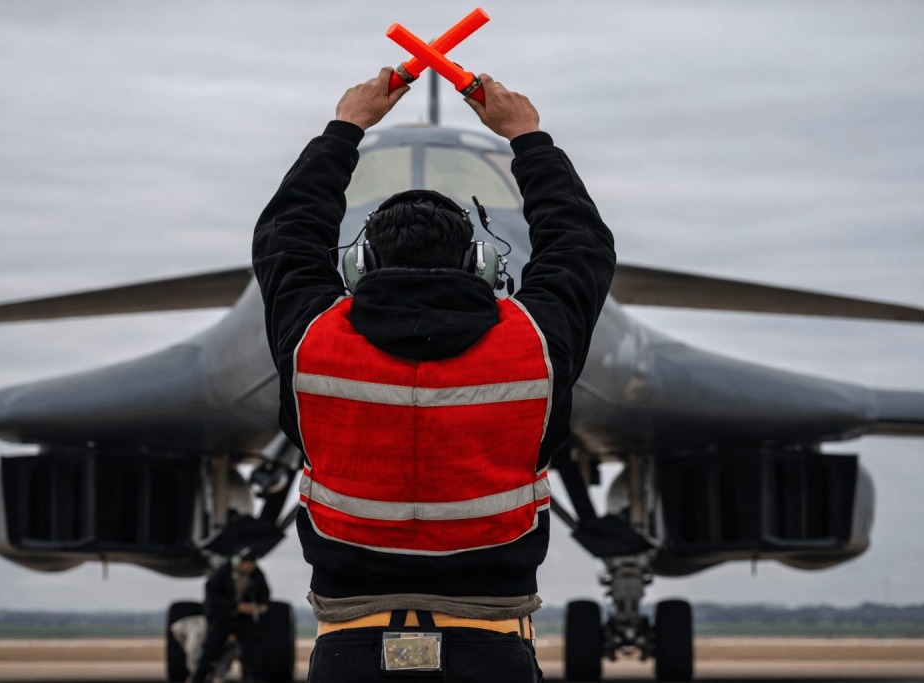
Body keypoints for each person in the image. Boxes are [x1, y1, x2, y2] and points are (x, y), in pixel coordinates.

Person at [253, 67, 615, 681]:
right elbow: (579, 247)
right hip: (492, 649)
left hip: (349, 652)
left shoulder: (313, 347)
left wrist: (345, 128)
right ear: (483, 263)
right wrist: (527, 136)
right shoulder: (535, 347)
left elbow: (288, 237)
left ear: (359, 265)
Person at [192, 545, 271, 683]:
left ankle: (253, 678)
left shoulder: (256, 575)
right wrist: (236, 606)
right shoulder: (221, 574)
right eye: (244, 562)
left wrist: (257, 607)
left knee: (252, 653)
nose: (246, 566)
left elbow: (264, 594)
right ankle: (199, 678)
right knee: (211, 650)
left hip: (245, 619)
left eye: (250, 563)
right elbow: (213, 598)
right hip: (222, 617)